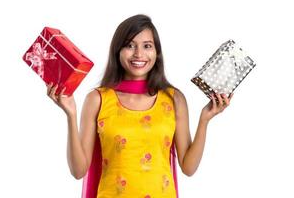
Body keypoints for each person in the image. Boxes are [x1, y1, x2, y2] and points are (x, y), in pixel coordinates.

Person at [47, 14, 232, 198]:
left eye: (147, 46)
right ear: (117, 51)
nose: (138, 54)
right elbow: (78, 171)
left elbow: (189, 167)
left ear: (156, 52)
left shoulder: (174, 99)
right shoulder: (97, 99)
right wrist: (70, 114)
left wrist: (205, 119)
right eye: (129, 45)